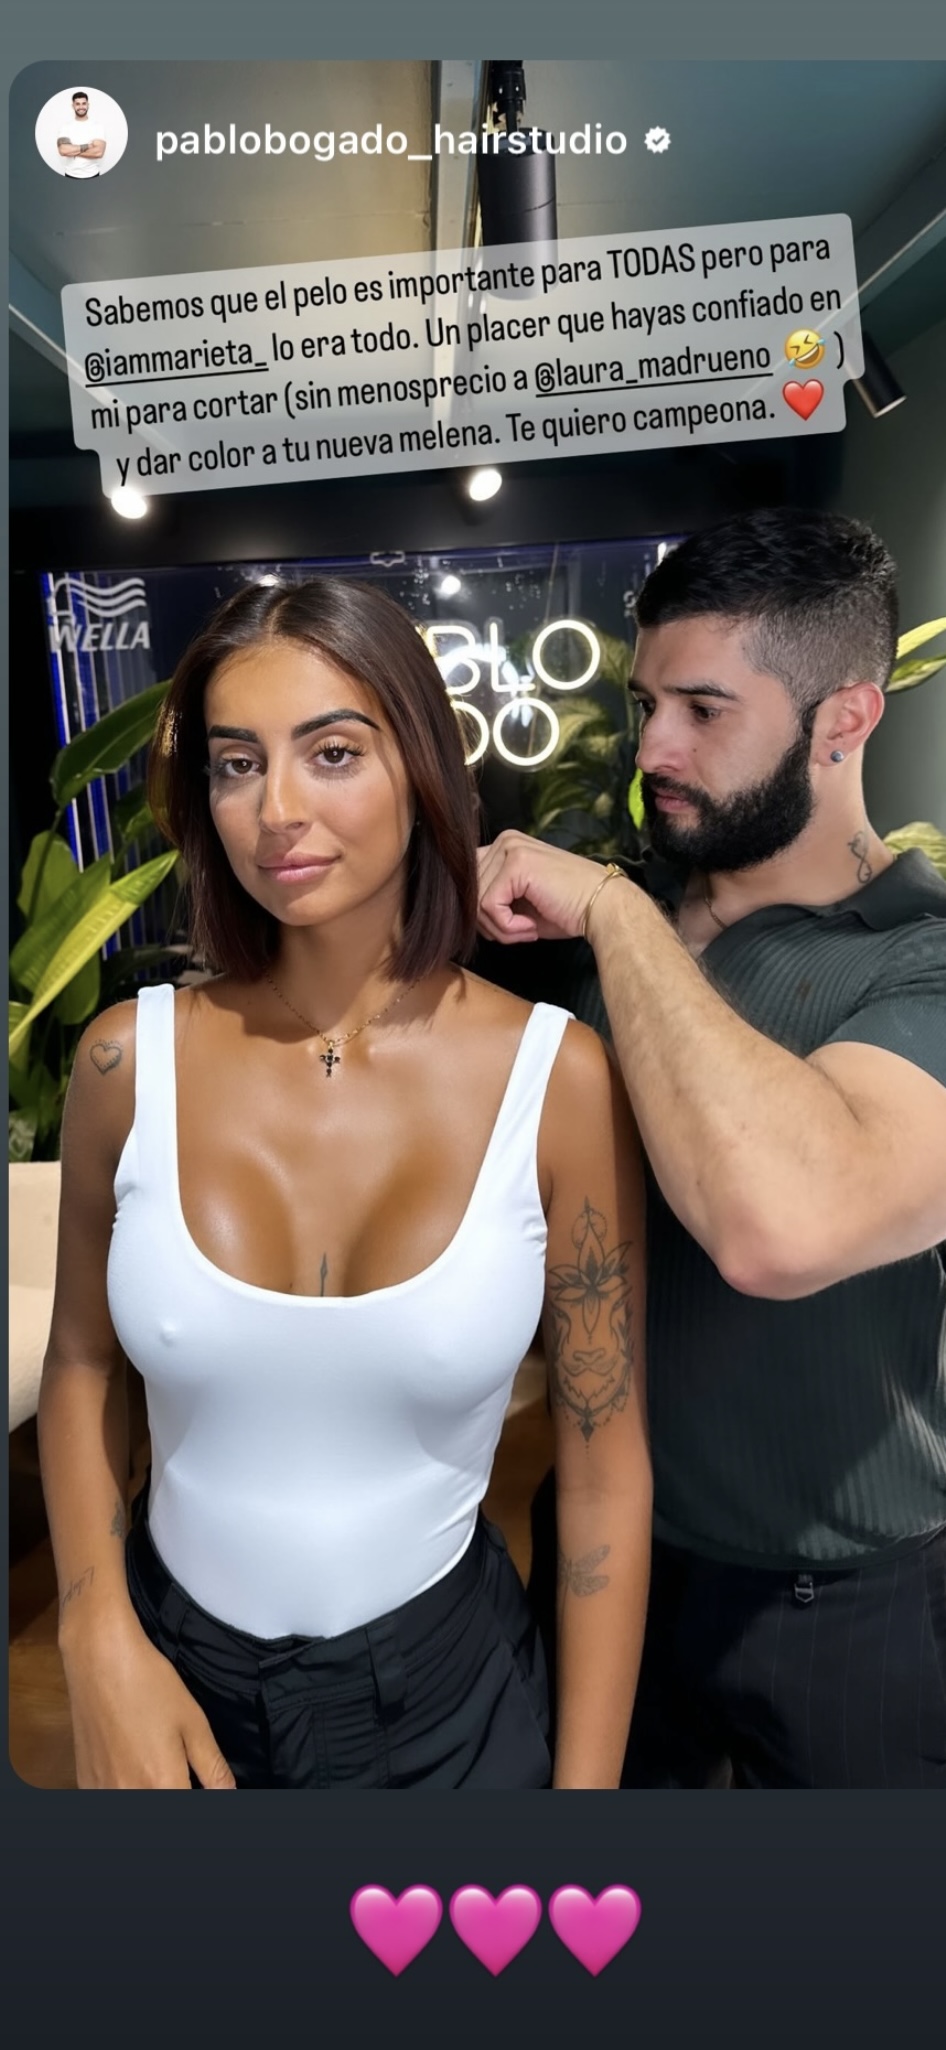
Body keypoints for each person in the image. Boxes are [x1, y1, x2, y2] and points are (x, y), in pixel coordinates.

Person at [38, 575, 651, 1792]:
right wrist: (94, 1631)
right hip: (176, 1682)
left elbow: (601, 1467)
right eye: (235, 764)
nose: (276, 809)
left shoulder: (558, 1081)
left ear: (421, 766)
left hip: (448, 1702)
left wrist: (584, 1806)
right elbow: (80, 1366)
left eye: (331, 753)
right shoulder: (124, 1064)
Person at [477, 507, 946, 1790]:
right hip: (614, 1557)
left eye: (703, 710)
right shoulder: (574, 937)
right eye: (646, 705)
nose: (653, 750)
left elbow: (780, 1226)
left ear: (844, 720)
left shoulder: (918, 957)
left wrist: (616, 913)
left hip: (854, 1603)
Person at [57, 91, 107, 178]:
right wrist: (88, 146)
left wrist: (72, 151)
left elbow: (99, 152)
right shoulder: (65, 127)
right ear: (73, 106)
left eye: (84, 103)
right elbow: (63, 150)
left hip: (92, 174)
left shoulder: (97, 126)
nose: (81, 107)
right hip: (70, 174)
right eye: (77, 104)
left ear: (88, 105)